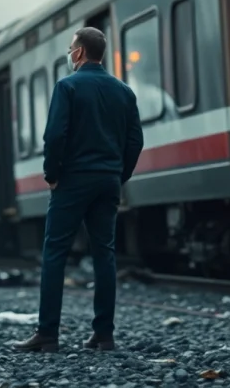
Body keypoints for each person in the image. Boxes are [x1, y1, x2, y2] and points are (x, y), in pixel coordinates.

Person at [13, 27, 143, 353]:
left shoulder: (67, 86)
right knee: (105, 255)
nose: (70, 54)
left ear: (81, 52)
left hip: (72, 181)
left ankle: (47, 334)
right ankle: (104, 335)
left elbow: (55, 135)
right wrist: (119, 174)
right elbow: (135, 140)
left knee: (55, 253)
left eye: (71, 48)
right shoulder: (124, 91)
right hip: (108, 181)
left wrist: (51, 174)